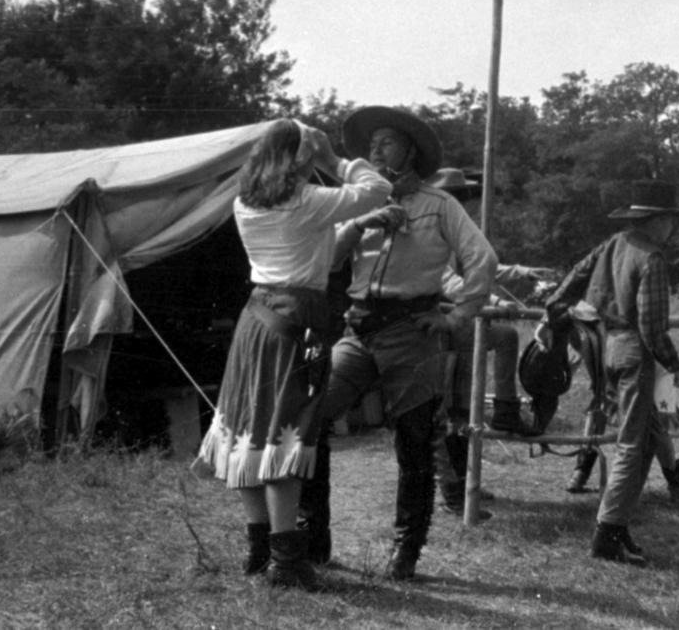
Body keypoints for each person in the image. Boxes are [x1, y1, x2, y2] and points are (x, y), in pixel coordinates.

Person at [298, 106, 498, 582]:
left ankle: (406, 552)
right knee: (313, 418)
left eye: (387, 142)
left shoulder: (440, 205)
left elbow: (482, 260)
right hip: (359, 328)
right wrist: (358, 225)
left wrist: (455, 316)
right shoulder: (356, 202)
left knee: (412, 443)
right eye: (372, 145)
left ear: (410, 150)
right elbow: (326, 260)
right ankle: (315, 539)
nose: (375, 150)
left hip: (412, 332)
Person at [198, 119, 391, 589]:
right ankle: (286, 561)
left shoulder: (246, 201)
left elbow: (315, 246)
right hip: (296, 321)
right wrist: (332, 160)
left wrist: (353, 221)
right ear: (298, 157)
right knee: (288, 431)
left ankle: (259, 547)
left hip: (257, 318)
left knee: (247, 428)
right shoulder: (308, 200)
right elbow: (378, 187)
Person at [555, 179, 679, 566]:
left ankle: (619, 524)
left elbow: (573, 278)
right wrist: (675, 365)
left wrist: (556, 309)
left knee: (649, 435)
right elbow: (651, 327)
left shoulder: (613, 244)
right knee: (633, 445)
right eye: (670, 221)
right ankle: (607, 532)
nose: (673, 229)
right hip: (633, 349)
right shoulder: (652, 258)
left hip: (605, 347)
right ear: (659, 220)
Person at [430, 166, 539, 519]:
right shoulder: (429, 233)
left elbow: (481, 266)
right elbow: (448, 280)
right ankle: (451, 490)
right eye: (458, 198)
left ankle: (464, 483)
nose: (462, 204)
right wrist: (489, 303)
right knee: (441, 414)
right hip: (436, 329)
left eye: (463, 198)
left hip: (458, 326)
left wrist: (520, 272)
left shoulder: (454, 232)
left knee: (462, 413)